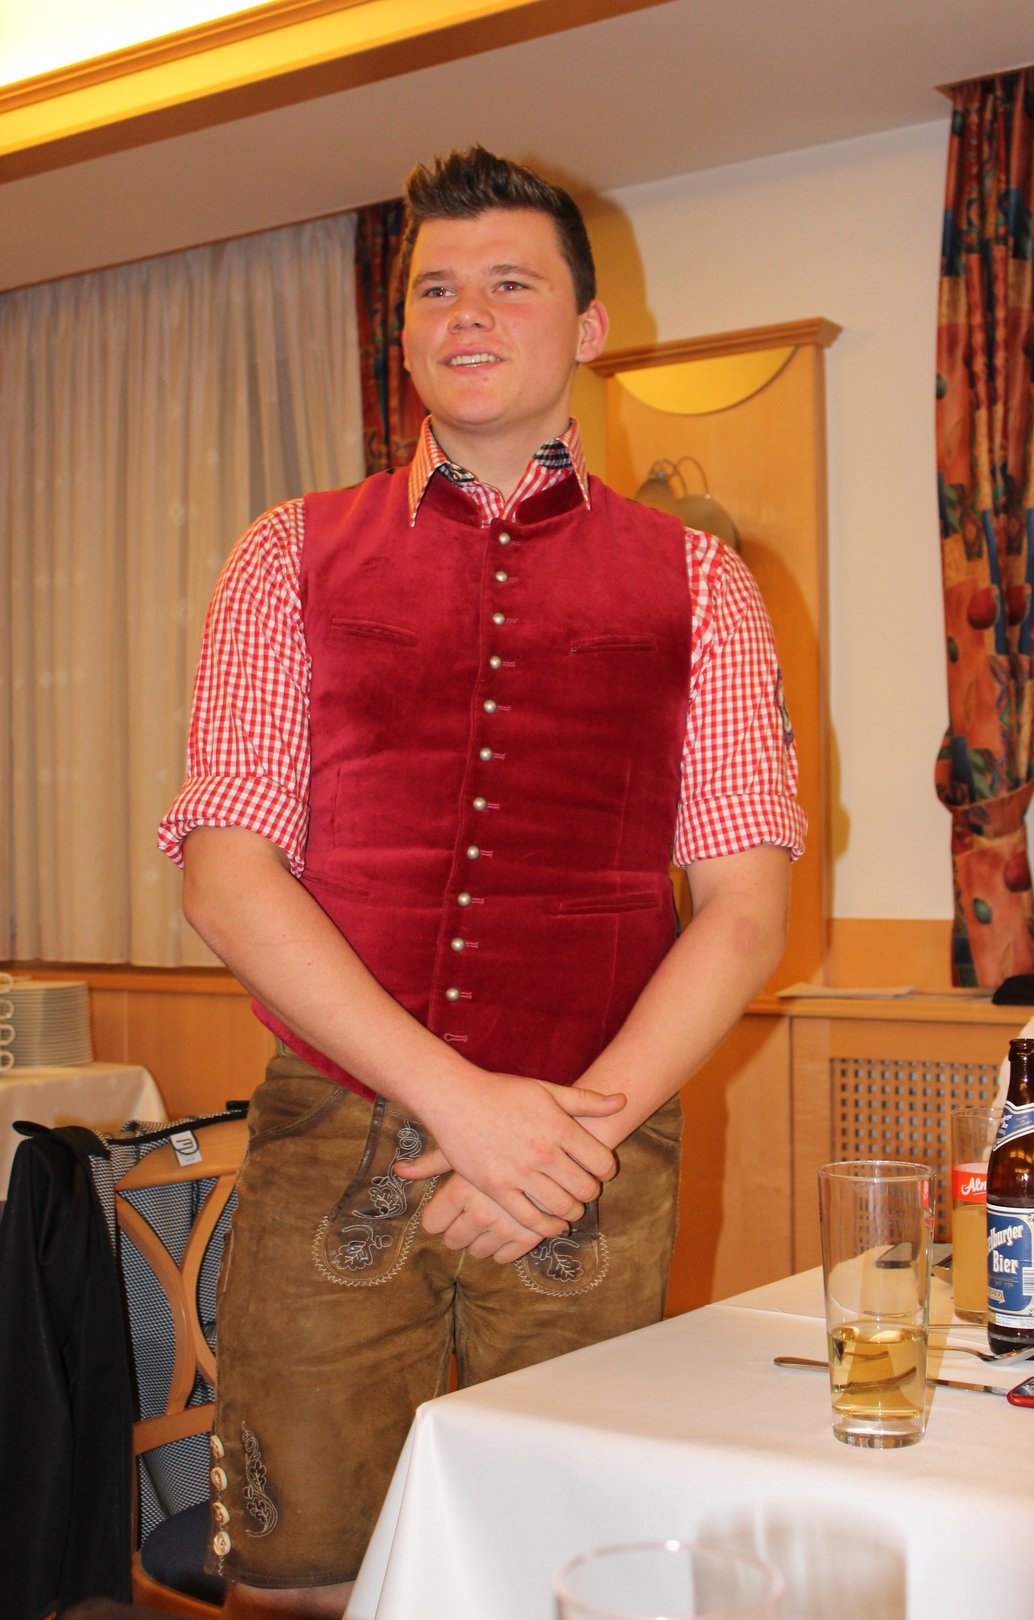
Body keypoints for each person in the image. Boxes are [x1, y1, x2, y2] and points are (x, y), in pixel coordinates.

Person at [158, 146, 805, 1619]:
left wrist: (570, 1133)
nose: (467, 312)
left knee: (571, 1568)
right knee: (303, 1569)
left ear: (588, 327)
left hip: (596, 1133)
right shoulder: (285, 556)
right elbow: (227, 877)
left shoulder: (700, 581)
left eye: (512, 283)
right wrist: (463, 1107)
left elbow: (745, 907)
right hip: (334, 1129)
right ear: (402, 336)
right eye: (435, 289)